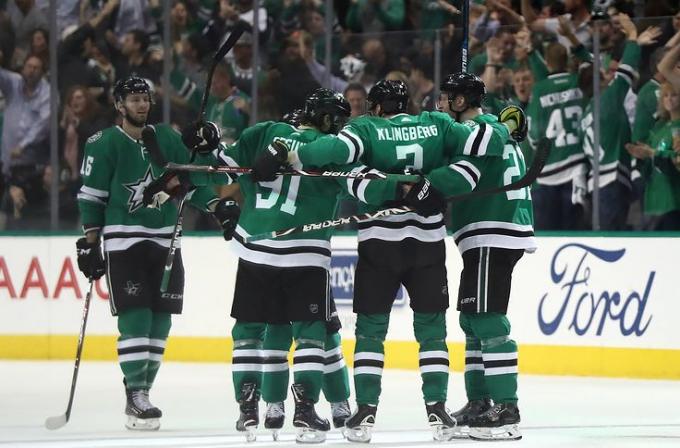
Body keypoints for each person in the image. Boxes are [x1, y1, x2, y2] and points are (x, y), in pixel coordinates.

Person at [284, 80, 486, 443]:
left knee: (370, 332)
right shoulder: (438, 124)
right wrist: (429, 186)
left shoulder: (364, 128)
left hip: (379, 244)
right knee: (432, 331)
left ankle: (365, 412)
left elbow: (338, 168)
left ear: (375, 107)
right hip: (427, 245)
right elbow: (472, 168)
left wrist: (293, 152)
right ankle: (437, 408)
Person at [206, 88, 400, 443]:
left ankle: (248, 408)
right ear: (327, 119)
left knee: (249, 333)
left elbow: (220, 173)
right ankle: (307, 409)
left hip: (256, 250)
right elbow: (368, 188)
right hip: (304, 252)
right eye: (338, 120)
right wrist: (406, 191)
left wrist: (204, 143)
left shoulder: (265, 131)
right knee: (313, 335)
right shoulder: (333, 149)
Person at [74, 76, 223, 431]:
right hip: (125, 239)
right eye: (134, 99)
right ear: (119, 105)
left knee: (161, 321)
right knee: (136, 318)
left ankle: (142, 393)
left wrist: (205, 146)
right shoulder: (104, 142)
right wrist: (90, 243)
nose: (141, 104)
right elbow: (91, 196)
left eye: (145, 98)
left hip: (167, 237)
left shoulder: (166, 137)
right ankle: (136, 393)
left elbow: (191, 181)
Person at [433, 74, 536, 441]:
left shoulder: (480, 129)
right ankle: (479, 404)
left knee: (488, 319)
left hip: (493, 228)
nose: (441, 104)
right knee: (472, 320)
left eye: (447, 99)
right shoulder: (491, 127)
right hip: (488, 231)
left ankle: (507, 410)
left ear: (462, 102)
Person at [526, 42, 586, 230]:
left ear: (548, 62)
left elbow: (534, 133)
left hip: (548, 172)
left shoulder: (540, 88)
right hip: (577, 168)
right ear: (567, 60)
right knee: (573, 230)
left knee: (548, 233)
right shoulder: (578, 81)